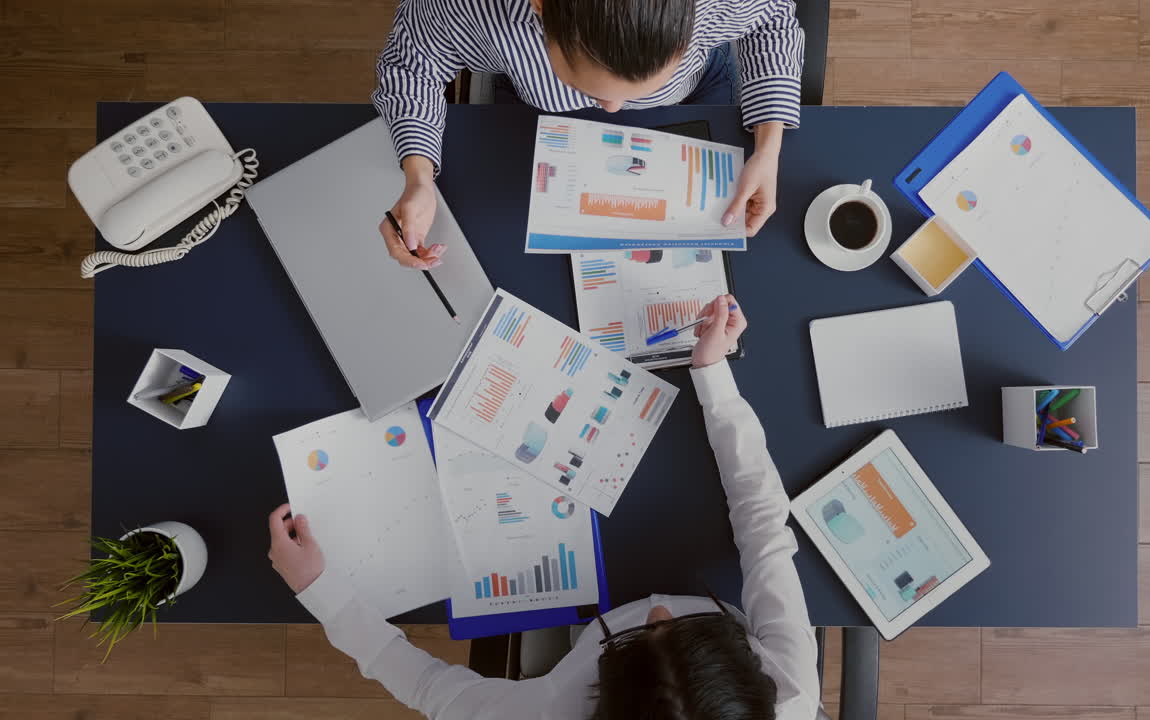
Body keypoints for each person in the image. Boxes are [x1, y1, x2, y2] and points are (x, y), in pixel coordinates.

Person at [268, 294, 820, 719]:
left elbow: (426, 687)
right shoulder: (790, 687)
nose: (660, 611)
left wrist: (323, 592)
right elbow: (763, 523)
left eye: (645, 638)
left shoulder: (552, 709)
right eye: (689, 632)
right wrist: (714, 377)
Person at [373, 0, 805, 272]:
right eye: (593, 88)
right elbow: (411, 66)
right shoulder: (470, 8)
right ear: (540, 8)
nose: (613, 111)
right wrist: (419, 178)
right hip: (533, 110)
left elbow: (775, 22)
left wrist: (769, 147)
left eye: (630, 89)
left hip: (695, 91)